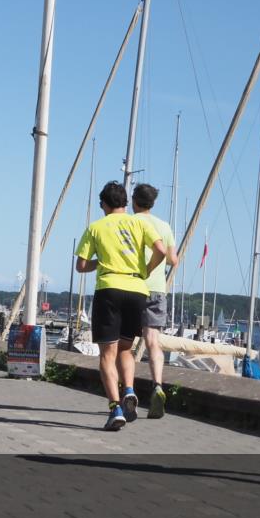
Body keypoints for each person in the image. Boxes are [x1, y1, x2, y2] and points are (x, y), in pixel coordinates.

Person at [75, 181, 166, 431]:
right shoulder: (140, 223)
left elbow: (81, 266)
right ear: (126, 203)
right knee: (126, 349)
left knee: (107, 354)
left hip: (109, 289)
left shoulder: (96, 227)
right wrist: (145, 271)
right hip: (137, 290)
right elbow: (162, 251)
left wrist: (101, 263)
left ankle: (115, 407)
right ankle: (129, 390)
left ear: (104, 204)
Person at [132, 183, 179, 419]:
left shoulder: (131, 223)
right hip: (158, 290)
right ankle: (158, 385)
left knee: (124, 342)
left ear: (134, 201)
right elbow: (173, 260)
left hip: (135, 287)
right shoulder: (164, 226)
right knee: (153, 343)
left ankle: (127, 392)